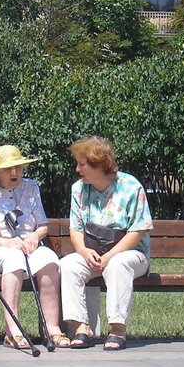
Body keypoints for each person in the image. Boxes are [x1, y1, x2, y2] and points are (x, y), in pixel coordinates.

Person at [0, 145, 70, 349]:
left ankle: (51, 329)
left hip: (27, 246)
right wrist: (7, 243)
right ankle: (13, 332)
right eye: (8, 168)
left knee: (50, 260)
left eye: (18, 167)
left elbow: (42, 225)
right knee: (14, 259)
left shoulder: (31, 187)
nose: (14, 172)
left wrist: (35, 236)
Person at [61, 136, 153, 351]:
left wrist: (110, 256)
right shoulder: (78, 189)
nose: (77, 169)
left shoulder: (131, 187)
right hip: (93, 253)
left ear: (98, 164)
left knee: (118, 264)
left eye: (82, 164)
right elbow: (75, 228)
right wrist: (83, 251)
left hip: (131, 254)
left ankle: (118, 329)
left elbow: (138, 230)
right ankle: (80, 327)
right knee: (68, 265)